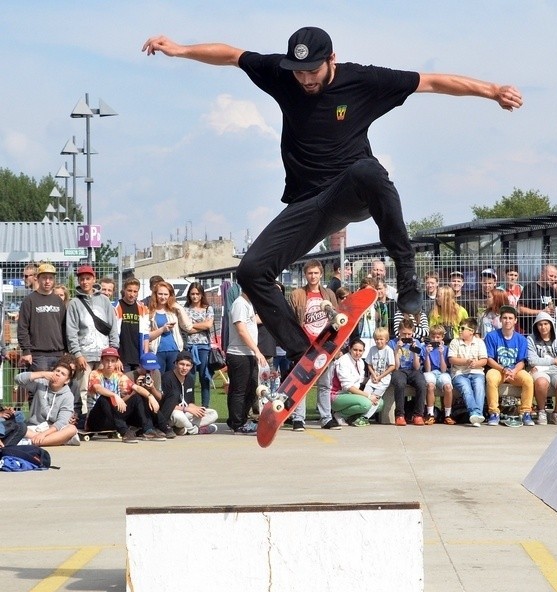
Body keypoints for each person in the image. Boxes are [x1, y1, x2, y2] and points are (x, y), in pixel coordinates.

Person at [144, 26, 523, 364]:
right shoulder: (282, 74)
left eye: (313, 71)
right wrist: (180, 49)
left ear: (332, 60)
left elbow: (432, 82)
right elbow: (231, 55)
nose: (306, 79)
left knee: (368, 168)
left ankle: (406, 273)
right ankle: (300, 350)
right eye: (300, 72)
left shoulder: (364, 80)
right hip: (306, 204)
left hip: (349, 193)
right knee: (251, 271)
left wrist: (491, 91)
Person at [288, 259, 339, 432]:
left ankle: (326, 418)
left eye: (316, 273)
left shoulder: (329, 294)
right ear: (305, 275)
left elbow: (337, 319)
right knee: (302, 384)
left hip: (325, 345)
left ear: (321, 274)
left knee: (325, 384)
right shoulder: (297, 294)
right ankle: (298, 419)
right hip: (305, 346)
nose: (313, 276)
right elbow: (291, 320)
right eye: (310, 273)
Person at [66, 264, 119, 418]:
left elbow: (113, 326)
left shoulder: (104, 300)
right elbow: (71, 331)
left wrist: (114, 351)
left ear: (93, 279)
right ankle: (86, 419)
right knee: (84, 388)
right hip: (85, 354)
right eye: (82, 279)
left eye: (88, 278)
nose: (85, 282)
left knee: (106, 387)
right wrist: (77, 354)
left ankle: (108, 418)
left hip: (104, 353)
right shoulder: (74, 303)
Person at [86, 347, 157, 442]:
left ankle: (148, 429)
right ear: (102, 361)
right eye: (107, 360)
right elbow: (97, 388)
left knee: (136, 397)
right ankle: (125, 432)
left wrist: (150, 396)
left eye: (112, 361)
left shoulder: (119, 375)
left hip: (113, 419)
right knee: (104, 398)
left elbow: (136, 387)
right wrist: (114, 395)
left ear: (116, 362)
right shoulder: (95, 373)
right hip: (96, 419)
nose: (110, 364)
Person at [484, 305, 534, 427]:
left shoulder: (521, 339)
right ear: (500, 320)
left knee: (528, 380)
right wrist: (504, 369)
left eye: (510, 318)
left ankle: (526, 412)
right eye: (505, 318)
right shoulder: (492, 336)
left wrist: (513, 371)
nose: (507, 320)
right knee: (491, 378)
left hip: (515, 371)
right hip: (498, 369)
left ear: (515, 320)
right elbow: (489, 359)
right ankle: (494, 413)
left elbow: (522, 361)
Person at [226, 290, 267, 434]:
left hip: (248, 353)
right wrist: (257, 351)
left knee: (251, 390)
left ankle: (237, 421)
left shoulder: (248, 304)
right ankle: (238, 423)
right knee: (240, 391)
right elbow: (242, 330)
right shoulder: (240, 304)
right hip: (239, 353)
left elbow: (252, 321)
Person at [17, 263, 67, 374]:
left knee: (57, 389)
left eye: (50, 278)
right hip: (38, 356)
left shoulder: (58, 301)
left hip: (59, 354)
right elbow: (22, 328)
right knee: (40, 390)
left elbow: (64, 326)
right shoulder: (29, 301)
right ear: (37, 278)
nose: (47, 281)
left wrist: (66, 350)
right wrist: (26, 351)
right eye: (44, 277)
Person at [14, 364, 77, 447]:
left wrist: (43, 434)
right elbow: (18, 379)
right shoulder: (41, 383)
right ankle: (52, 440)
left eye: (63, 374)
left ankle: (30, 442)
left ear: (67, 381)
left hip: (52, 430)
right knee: (16, 426)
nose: (58, 374)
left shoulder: (68, 396)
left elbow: (62, 422)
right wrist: (42, 374)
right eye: (57, 371)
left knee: (72, 429)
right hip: (33, 428)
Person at [526, 311, 557, 426]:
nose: (543, 327)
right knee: (541, 382)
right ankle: (541, 411)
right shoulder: (531, 339)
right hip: (541, 372)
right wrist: (555, 360)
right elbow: (531, 360)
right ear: (536, 326)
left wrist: (541, 364)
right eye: (540, 324)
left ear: (551, 324)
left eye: (546, 324)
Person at [158, 351, 219, 436]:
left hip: (185, 413)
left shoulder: (189, 379)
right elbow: (165, 406)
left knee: (213, 413)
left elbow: (190, 403)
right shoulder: (167, 378)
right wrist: (186, 409)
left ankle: (181, 429)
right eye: (182, 364)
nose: (184, 368)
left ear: (191, 366)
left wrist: (197, 409)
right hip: (172, 414)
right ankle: (195, 430)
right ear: (175, 364)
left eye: (188, 365)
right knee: (179, 416)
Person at [330, 340, 382, 427]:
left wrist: (373, 378)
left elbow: (360, 381)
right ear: (350, 349)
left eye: (360, 351)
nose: (357, 353)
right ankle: (339, 415)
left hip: (352, 395)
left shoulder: (360, 362)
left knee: (379, 403)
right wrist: (368, 396)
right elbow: (348, 387)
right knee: (367, 403)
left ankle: (353, 418)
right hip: (337, 395)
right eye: (355, 350)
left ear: (363, 351)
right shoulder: (343, 361)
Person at [448, 318, 488, 426]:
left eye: (462, 328)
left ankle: (476, 415)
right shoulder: (455, 342)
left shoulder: (480, 343)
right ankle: (476, 413)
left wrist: (476, 364)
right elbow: (451, 359)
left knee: (479, 387)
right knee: (466, 388)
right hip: (459, 373)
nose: (459, 330)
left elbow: (484, 360)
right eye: (458, 328)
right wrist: (466, 361)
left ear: (471, 331)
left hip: (477, 372)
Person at [147, 280, 193, 374]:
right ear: (155, 294)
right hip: (157, 351)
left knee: (172, 382)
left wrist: (179, 308)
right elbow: (147, 336)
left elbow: (188, 327)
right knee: (158, 382)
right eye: (160, 294)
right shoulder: (150, 312)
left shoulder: (175, 310)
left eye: (165, 294)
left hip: (174, 350)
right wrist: (162, 329)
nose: (163, 297)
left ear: (170, 295)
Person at [388, 318, 427, 425]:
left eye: (409, 334)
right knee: (400, 383)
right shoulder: (392, 343)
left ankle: (418, 415)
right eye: (404, 334)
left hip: (412, 370)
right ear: (399, 332)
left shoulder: (417, 343)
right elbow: (396, 367)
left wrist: (414, 351)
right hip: (399, 370)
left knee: (421, 383)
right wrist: (396, 350)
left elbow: (417, 367)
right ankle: (400, 415)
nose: (407, 336)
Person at [183, 282, 215, 408]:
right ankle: (190, 405)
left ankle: (205, 406)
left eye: (197, 294)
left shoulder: (208, 308)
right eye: (192, 294)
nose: (195, 296)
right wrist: (200, 325)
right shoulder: (184, 309)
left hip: (204, 347)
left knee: (204, 377)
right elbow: (185, 328)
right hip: (189, 346)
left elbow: (208, 325)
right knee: (189, 378)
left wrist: (192, 325)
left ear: (201, 295)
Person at [113, 277, 150, 373]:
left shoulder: (142, 308)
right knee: (123, 386)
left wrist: (145, 355)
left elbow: (146, 334)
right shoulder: (115, 306)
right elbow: (112, 334)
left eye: (135, 291)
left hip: (138, 356)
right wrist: (115, 356)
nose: (132, 294)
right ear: (124, 290)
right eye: (129, 290)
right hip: (122, 355)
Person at [359, 327, 395, 425]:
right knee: (365, 396)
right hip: (373, 378)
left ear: (386, 340)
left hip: (383, 380)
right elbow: (369, 364)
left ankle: (365, 416)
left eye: (381, 339)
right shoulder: (372, 349)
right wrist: (373, 374)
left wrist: (380, 377)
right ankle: (359, 414)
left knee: (375, 398)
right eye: (376, 339)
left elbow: (392, 366)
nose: (378, 341)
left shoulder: (388, 350)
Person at [518, 264, 557, 334]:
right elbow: (520, 309)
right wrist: (541, 312)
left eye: (555, 277)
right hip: (533, 331)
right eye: (550, 276)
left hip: (551, 333)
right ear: (542, 274)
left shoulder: (553, 290)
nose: (553, 279)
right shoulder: (531, 287)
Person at [423, 325, 454, 424]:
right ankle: (430, 414)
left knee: (448, 386)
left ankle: (447, 415)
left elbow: (444, 370)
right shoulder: (424, 348)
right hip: (430, 372)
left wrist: (441, 354)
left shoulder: (446, 349)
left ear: (442, 337)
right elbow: (427, 369)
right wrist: (427, 354)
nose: (435, 339)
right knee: (430, 386)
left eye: (438, 337)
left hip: (441, 372)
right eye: (433, 337)